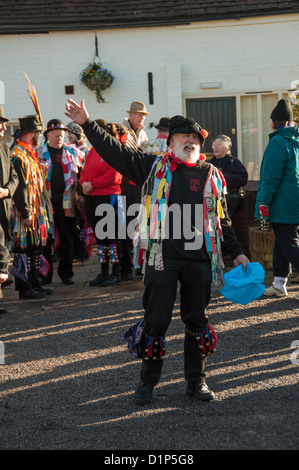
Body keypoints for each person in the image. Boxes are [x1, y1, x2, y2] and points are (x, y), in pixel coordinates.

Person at [65, 99, 249, 405]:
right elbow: (117, 152)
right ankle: (147, 383)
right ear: (171, 141)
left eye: (196, 138)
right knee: (156, 320)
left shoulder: (210, 175)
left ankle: (196, 381)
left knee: (198, 321)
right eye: (185, 137)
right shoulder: (154, 167)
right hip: (162, 256)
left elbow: (222, 220)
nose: (192, 142)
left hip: (198, 258)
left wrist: (237, 252)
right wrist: (87, 124)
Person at [255, 98, 299, 299]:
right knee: (282, 243)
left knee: (288, 243)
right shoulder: (296, 142)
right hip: (295, 201)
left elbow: (270, 178)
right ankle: (279, 284)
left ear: (275, 121)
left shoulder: (278, 142)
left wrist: (262, 203)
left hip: (283, 204)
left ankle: (279, 283)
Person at [11, 114, 53, 299]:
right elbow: (20, 186)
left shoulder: (29, 153)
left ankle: (35, 283)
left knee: (35, 248)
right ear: (30, 134)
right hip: (25, 210)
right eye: (37, 133)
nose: (39, 137)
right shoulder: (18, 155)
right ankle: (24, 287)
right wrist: (26, 211)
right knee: (25, 249)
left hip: (35, 208)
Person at [37, 119, 84, 285]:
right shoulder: (39, 153)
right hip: (46, 201)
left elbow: (82, 173)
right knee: (45, 240)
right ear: (48, 136)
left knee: (67, 238)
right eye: (56, 136)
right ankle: (45, 274)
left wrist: (81, 194)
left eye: (62, 136)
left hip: (67, 201)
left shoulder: (72, 152)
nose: (59, 139)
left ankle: (66, 273)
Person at [79, 119, 124, 287]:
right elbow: (83, 172)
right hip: (92, 197)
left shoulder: (113, 149)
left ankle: (116, 272)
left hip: (108, 197)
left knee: (111, 237)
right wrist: (83, 183)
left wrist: (92, 184)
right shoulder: (92, 151)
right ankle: (104, 272)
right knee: (101, 237)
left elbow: (114, 175)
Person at [0, 106, 19, 312]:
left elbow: (14, 176)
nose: (4, 127)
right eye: (1, 123)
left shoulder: (4, 147)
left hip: (3, 204)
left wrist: (6, 191)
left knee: (3, 244)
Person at [210, 135, 248, 218]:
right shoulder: (210, 163)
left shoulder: (233, 162)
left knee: (225, 224)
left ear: (226, 148)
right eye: (214, 145)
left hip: (228, 202)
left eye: (218, 145)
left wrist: (223, 177)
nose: (215, 148)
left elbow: (243, 178)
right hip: (212, 201)